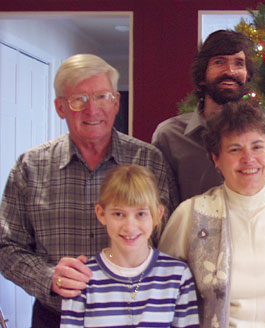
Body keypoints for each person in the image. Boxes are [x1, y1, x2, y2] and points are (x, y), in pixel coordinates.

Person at [0, 54, 178, 327]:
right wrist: (48, 277)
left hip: (135, 316)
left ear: (116, 102)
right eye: (78, 99)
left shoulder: (150, 161)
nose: (92, 110)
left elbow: (170, 240)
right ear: (60, 107)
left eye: (102, 97)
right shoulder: (30, 168)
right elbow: (6, 247)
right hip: (56, 316)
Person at [158, 99, 265, 327]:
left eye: (257, 146)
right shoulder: (191, 215)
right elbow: (161, 290)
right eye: (235, 149)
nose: (249, 159)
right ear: (216, 159)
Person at [152, 29, 265, 202]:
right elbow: (159, 206)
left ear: (247, 74)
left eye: (239, 63)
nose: (231, 71)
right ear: (202, 75)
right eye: (219, 62)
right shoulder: (170, 136)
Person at [60, 165, 198, 327]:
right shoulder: (82, 279)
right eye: (119, 214)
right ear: (101, 214)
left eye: (141, 214)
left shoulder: (178, 276)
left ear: (157, 215)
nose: (130, 227)